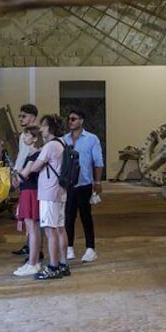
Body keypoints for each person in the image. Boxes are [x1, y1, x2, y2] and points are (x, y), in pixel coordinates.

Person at [23, 114, 70, 280]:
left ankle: (53, 266)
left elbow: (35, 167)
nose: (41, 129)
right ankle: (63, 263)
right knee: (60, 228)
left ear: (49, 127)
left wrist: (30, 162)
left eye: (43, 126)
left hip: (49, 192)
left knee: (50, 231)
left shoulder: (50, 146)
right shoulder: (62, 143)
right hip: (60, 191)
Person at [64, 108, 104, 263]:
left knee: (85, 215)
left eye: (73, 119)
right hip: (68, 184)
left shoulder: (92, 139)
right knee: (68, 216)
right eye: (69, 119)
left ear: (81, 121)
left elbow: (98, 161)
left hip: (84, 183)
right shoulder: (64, 139)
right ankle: (69, 247)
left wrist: (98, 182)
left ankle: (90, 248)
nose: (70, 122)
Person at [12, 125, 43, 276]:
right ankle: (33, 261)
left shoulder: (34, 155)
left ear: (35, 138)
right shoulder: (33, 154)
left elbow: (23, 175)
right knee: (32, 229)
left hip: (30, 192)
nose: (24, 138)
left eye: (27, 135)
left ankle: (33, 262)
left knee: (32, 229)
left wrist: (15, 173)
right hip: (28, 191)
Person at [12, 104, 38, 256]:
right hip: (25, 175)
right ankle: (30, 245)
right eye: (20, 116)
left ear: (33, 117)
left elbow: (25, 156)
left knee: (31, 216)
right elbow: (21, 155)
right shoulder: (25, 135)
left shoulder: (32, 136)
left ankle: (34, 249)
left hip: (29, 178)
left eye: (24, 116)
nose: (21, 119)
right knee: (29, 215)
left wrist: (17, 174)